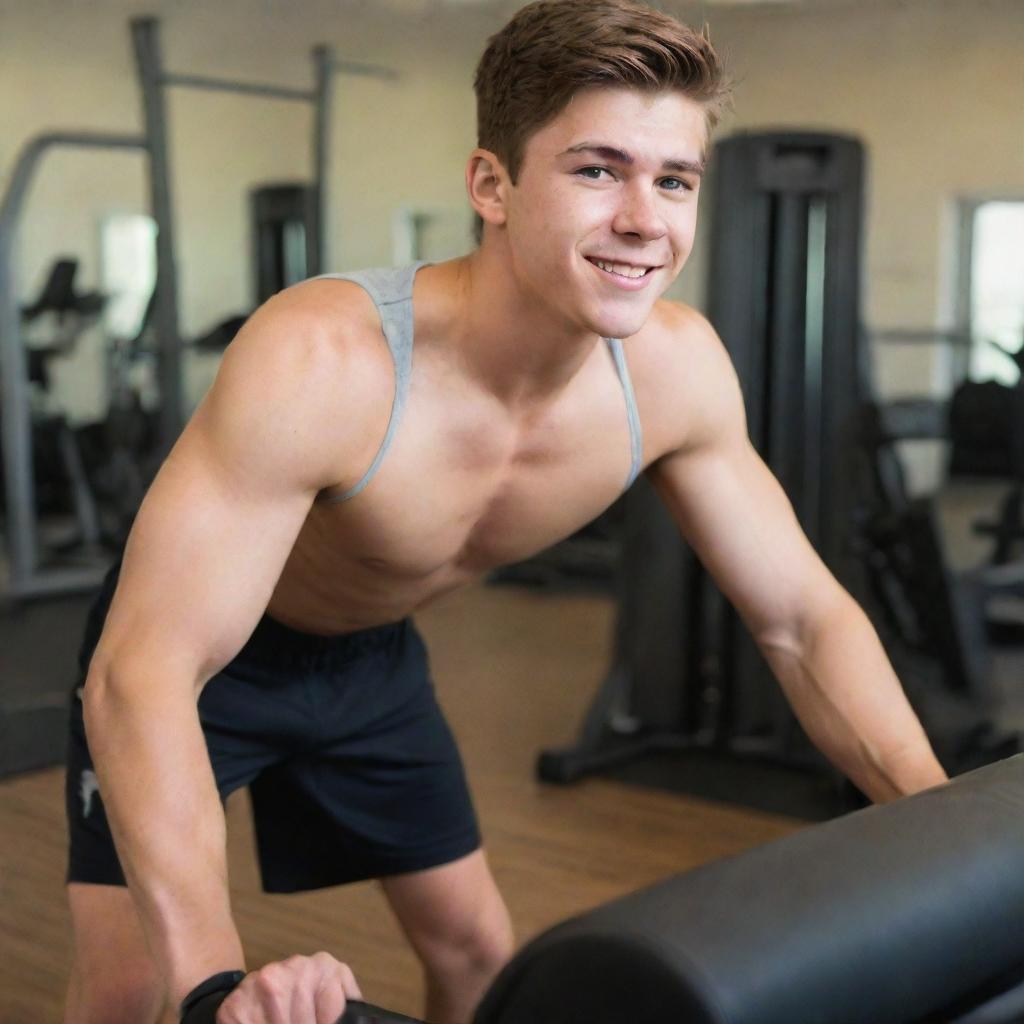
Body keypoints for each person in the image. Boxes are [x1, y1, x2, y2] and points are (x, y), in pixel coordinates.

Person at [63, 0, 949, 1022]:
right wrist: (214, 985)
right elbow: (146, 669)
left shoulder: (673, 372)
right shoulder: (325, 360)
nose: (643, 219)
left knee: (479, 952)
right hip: (201, 661)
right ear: (491, 183)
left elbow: (802, 619)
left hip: (371, 661)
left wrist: (939, 827)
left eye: (673, 179)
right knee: (130, 994)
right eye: (594, 169)